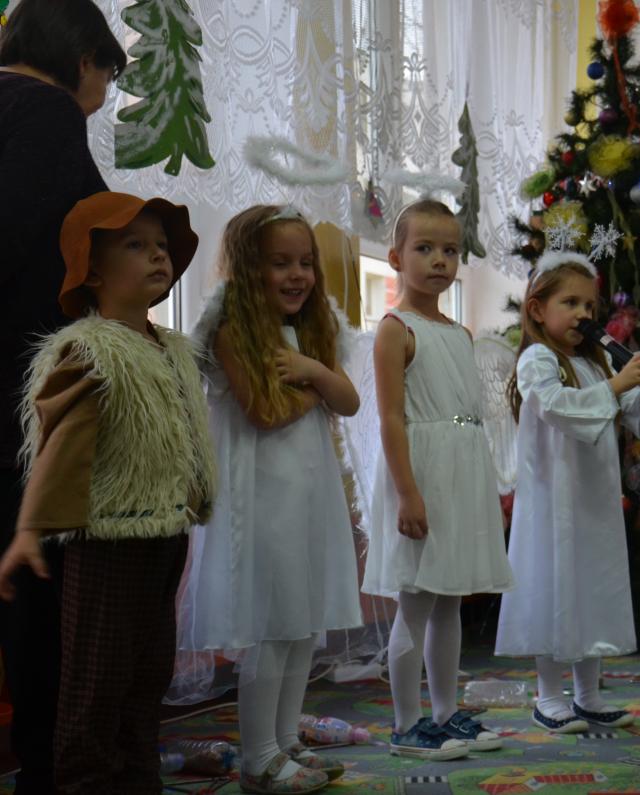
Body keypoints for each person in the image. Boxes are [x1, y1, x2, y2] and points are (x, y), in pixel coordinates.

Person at [0, 192, 213, 794]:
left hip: (164, 535)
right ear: (92, 271)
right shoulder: (90, 350)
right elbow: (59, 446)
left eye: (163, 246)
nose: (158, 256)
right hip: (110, 542)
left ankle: (139, 780)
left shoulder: (170, 348)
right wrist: (30, 528)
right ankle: (86, 783)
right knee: (96, 686)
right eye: (136, 245)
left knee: (147, 679)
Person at [177, 205, 363, 794]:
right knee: (272, 624)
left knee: (302, 623)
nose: (297, 274)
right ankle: (258, 757)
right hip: (261, 495)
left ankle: (285, 741)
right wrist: (319, 386)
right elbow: (264, 412)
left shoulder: (303, 334)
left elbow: (351, 400)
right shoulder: (233, 326)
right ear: (247, 266)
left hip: (306, 491)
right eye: (280, 263)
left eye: (305, 262)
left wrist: (315, 372)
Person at [0, 3, 125, 789]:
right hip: (20, 393)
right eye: (108, 75)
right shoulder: (46, 110)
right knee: (33, 593)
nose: (103, 95)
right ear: (85, 59)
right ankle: (49, 771)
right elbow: (31, 242)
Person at [361, 200, 514, 759]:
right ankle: (406, 724)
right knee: (417, 603)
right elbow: (390, 419)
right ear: (395, 258)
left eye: (449, 250)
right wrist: (407, 493)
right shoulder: (394, 330)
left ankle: (446, 713)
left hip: (461, 475)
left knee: (449, 601)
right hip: (422, 476)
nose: (439, 260)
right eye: (424, 249)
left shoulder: (460, 334)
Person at [495, 251, 640, 734]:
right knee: (553, 585)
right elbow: (557, 407)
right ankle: (549, 696)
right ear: (536, 309)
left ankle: (588, 695)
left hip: (593, 500)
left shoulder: (594, 363)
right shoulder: (537, 360)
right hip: (552, 501)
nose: (583, 314)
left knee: (592, 585)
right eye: (570, 303)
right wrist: (616, 385)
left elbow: (636, 418)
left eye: (589, 305)